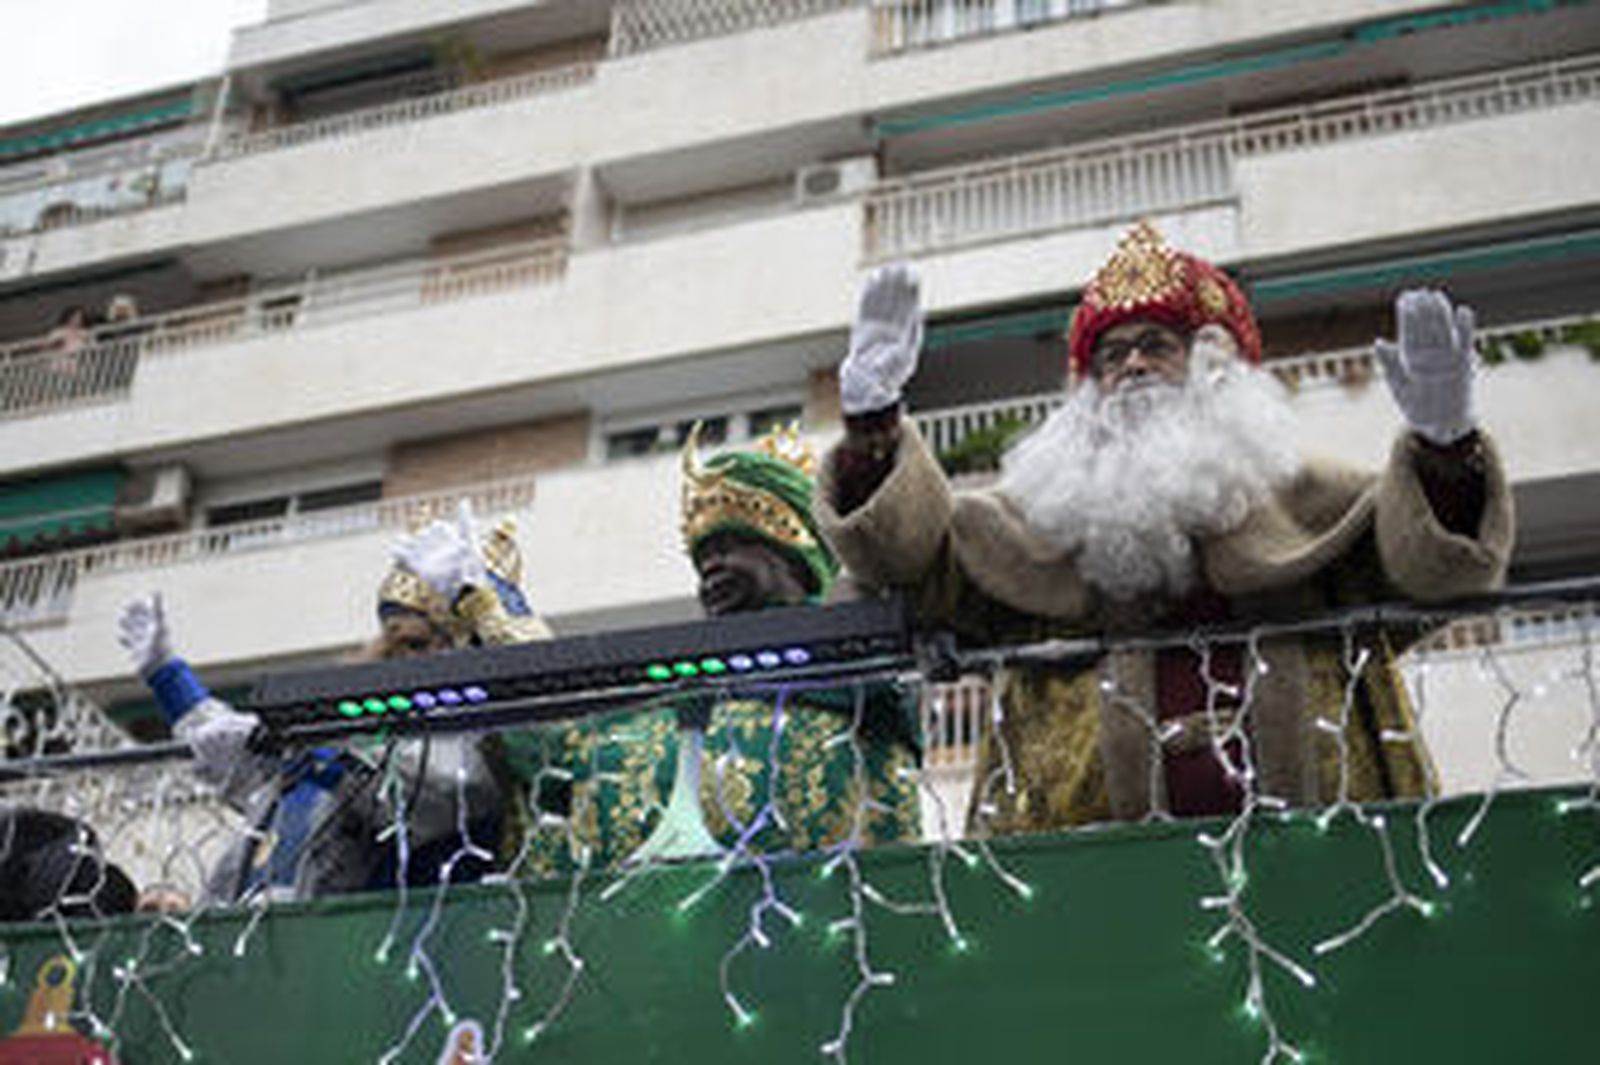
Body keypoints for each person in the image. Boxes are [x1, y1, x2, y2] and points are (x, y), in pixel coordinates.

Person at [816, 220, 1513, 831]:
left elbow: (1437, 576)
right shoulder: (1032, 527)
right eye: (1110, 358)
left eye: (1156, 345)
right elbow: (908, 563)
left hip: (1330, 871)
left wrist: (1445, 448)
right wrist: (873, 425)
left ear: (1216, 370)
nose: (1132, 366)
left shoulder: (1311, 503)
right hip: (1084, 896)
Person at [499, 425, 923, 876]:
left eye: (730, 546)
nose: (711, 567)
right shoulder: (663, 685)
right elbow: (559, 757)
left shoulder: (855, 675)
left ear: (792, 557)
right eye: (703, 558)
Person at [115, 503, 547, 903]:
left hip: (400, 925)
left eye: (421, 643)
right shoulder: (344, 719)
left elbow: (444, 793)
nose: (409, 660)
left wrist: (334, 752)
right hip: (248, 921)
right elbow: (239, 761)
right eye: (396, 644)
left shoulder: (473, 725)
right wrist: (168, 676)